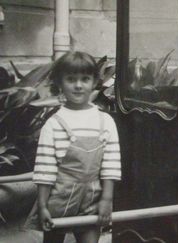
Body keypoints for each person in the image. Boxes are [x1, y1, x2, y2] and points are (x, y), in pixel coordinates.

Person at [24, 51, 122, 243]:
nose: (78, 85)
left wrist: (106, 200)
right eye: (71, 79)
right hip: (59, 198)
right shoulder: (53, 124)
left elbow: (111, 166)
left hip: (92, 198)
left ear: (94, 82)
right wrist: (43, 206)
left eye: (85, 79)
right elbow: (45, 170)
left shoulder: (106, 121)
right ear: (59, 84)